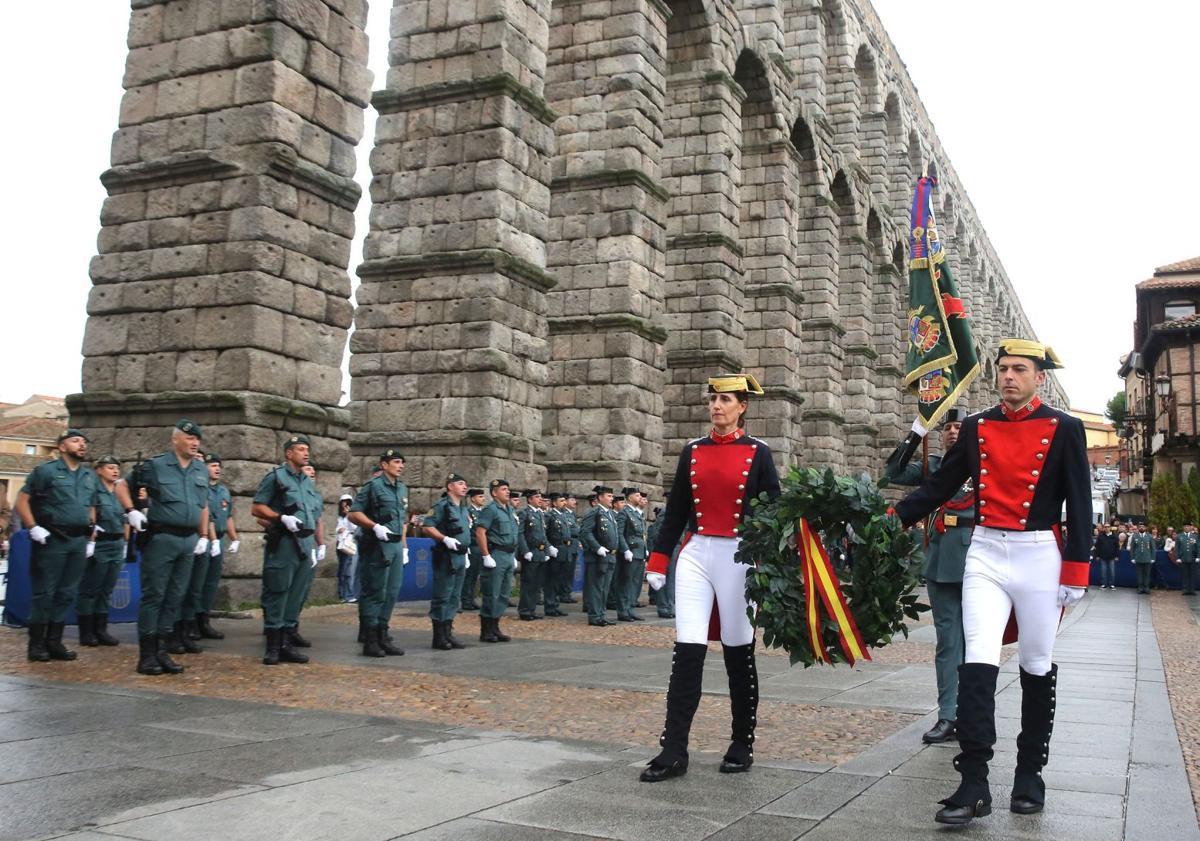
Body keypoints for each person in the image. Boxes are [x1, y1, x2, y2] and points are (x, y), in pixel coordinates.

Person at [893, 339, 1092, 825]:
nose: (1008, 377)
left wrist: (1076, 569)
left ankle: (1029, 773)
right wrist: (894, 516)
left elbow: (1080, 502)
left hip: (1038, 554)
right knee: (977, 661)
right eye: (1003, 369)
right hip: (985, 550)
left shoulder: (1065, 428)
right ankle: (974, 779)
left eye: (1019, 370)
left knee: (1036, 664)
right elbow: (941, 486)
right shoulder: (978, 426)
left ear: (1037, 378)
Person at [640, 374, 781, 782]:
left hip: (739, 556)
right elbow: (677, 510)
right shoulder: (692, 451)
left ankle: (742, 741)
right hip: (698, 553)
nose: (715, 406)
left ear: (743, 407)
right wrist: (660, 559)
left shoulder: (760, 452)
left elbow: (773, 513)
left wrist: (772, 565)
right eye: (713, 399)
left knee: (739, 651)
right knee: (687, 651)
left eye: (725, 400)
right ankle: (673, 747)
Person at [893, 408, 973, 745]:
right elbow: (893, 471)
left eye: (959, 426)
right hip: (941, 560)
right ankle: (948, 714)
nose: (953, 432)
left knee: (976, 645)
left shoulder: (982, 462)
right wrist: (916, 433)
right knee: (948, 643)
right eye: (948, 428)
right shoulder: (934, 466)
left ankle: (973, 714)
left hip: (976, 560)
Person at [14, 428, 99, 662]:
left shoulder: (89, 476)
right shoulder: (46, 472)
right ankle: (37, 643)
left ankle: (55, 641)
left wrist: (91, 535)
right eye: (75, 441)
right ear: (62, 447)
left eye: (83, 441)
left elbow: (91, 506)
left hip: (78, 540)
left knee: (66, 592)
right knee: (45, 592)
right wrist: (33, 527)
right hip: (52, 539)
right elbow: (22, 500)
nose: (81, 445)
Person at [250, 435, 323, 665]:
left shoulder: (306, 482)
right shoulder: (276, 478)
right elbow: (257, 507)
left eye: (307, 449)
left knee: (296, 594)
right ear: (289, 453)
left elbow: (314, 514)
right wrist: (280, 517)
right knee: (278, 592)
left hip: (304, 542)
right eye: (300, 449)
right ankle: (272, 646)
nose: (306, 453)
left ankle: (286, 643)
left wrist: (318, 543)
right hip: (284, 542)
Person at [348, 449, 409, 657]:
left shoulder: (401, 488)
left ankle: (383, 635)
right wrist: (374, 526)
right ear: (384, 465)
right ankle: (370, 638)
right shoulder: (373, 487)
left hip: (394, 546)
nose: (400, 466)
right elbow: (354, 513)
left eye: (402, 462)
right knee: (375, 592)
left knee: (392, 592)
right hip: (377, 545)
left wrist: (404, 546)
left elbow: (401, 520)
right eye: (396, 462)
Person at [182, 453, 239, 643]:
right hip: (203, 539)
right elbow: (208, 518)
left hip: (219, 539)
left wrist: (234, 538)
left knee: (210, 584)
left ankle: (203, 620)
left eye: (218, 465)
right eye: (212, 465)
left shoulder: (223, 491)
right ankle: (189, 622)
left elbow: (227, 515)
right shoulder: (200, 489)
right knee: (196, 583)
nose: (217, 469)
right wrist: (211, 539)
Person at [77, 454, 128, 647]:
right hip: (100, 543)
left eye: (117, 468)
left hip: (116, 543)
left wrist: (126, 542)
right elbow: (91, 516)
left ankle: (100, 629)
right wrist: (90, 541)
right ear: (99, 470)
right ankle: (86, 631)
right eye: (110, 467)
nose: (115, 471)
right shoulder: (94, 490)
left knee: (106, 589)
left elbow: (125, 519)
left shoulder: (119, 491)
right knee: (91, 588)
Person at [422, 473, 472, 649]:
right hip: (446, 556)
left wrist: (466, 552)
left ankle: (448, 632)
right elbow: (427, 526)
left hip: (460, 555)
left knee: (454, 597)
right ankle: (439, 636)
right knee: (442, 595)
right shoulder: (442, 506)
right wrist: (444, 539)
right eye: (460, 483)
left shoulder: (464, 508)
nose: (464, 487)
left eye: (465, 484)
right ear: (450, 486)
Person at [473, 478, 519, 643]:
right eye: (503, 489)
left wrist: (513, 556)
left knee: (504, 593)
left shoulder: (508, 510)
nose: (507, 491)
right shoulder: (490, 510)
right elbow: (480, 532)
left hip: (507, 554)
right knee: (492, 593)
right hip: (496, 554)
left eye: (507, 489)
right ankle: (486, 630)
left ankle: (495, 627)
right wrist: (486, 555)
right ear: (494, 492)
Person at [580, 485, 625, 627]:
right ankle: (594, 616)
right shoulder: (595, 512)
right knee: (596, 587)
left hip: (610, 556)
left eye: (612, 496)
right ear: (600, 498)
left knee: (605, 588)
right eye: (608, 496)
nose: (611, 499)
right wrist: (597, 547)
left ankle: (601, 614)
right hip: (597, 557)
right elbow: (585, 532)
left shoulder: (610, 513)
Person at [517, 489, 550, 621]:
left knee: (536, 584)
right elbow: (520, 534)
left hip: (540, 552)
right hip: (531, 552)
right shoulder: (525, 514)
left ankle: (532, 609)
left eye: (540, 497)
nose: (540, 499)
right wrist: (525, 551)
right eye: (537, 497)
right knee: (528, 583)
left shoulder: (540, 514)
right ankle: (525, 610)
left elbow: (543, 535)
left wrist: (547, 550)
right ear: (530, 499)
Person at [617, 486, 648, 621]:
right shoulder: (625, 512)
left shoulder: (637, 513)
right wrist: (625, 549)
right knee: (626, 582)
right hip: (631, 551)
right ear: (629, 498)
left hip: (639, 552)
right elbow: (620, 533)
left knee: (636, 582)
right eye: (637, 495)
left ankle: (630, 608)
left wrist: (644, 548)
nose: (639, 498)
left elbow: (641, 534)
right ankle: (623, 610)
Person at [460, 488, 486, 610]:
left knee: (476, 575)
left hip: (481, 547)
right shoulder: (469, 512)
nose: (483, 499)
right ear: (473, 498)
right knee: (470, 575)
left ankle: (472, 597)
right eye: (480, 497)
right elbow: (469, 530)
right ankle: (466, 599)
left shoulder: (483, 512)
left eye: (483, 496)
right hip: (473, 546)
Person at [335, 494, 359, 603]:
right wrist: (339, 530)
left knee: (350, 570)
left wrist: (349, 515)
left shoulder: (352, 515)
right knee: (342, 570)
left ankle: (349, 594)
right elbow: (335, 528)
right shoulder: (338, 516)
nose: (344, 505)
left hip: (351, 544)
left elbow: (355, 528)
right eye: (343, 502)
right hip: (340, 543)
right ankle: (341, 594)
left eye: (347, 502)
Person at [1092, 524, 1119, 590]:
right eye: (1105, 527)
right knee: (1103, 571)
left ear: (1110, 528)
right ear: (1104, 528)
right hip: (1102, 556)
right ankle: (1104, 584)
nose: (1107, 528)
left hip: (1112, 556)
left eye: (1108, 527)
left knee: (1112, 571)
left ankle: (1111, 584)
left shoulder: (1114, 536)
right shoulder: (1101, 536)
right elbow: (1097, 546)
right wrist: (1097, 555)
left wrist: (1117, 556)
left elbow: (1117, 547)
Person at [1131, 523, 1155, 594]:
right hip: (1138, 558)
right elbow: (1132, 548)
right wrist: (1132, 557)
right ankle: (1140, 587)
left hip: (1147, 558)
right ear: (1138, 528)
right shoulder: (1135, 536)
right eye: (1140, 527)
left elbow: (1153, 548)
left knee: (1147, 574)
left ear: (1146, 528)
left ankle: (1146, 587)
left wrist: (1153, 558)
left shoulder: (1149, 536)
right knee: (1139, 574)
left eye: (1143, 527)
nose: (1141, 528)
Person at [1177, 523, 1199, 594]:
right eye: (1185, 526)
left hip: (1192, 558)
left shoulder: (1195, 536)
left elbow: (1198, 547)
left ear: (1190, 527)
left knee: (1192, 574)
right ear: (1183, 527)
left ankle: (1192, 589)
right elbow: (1177, 548)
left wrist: (1198, 556)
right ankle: (1185, 589)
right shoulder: (1179, 536)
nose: (1187, 527)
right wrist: (1178, 557)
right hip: (1183, 558)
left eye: (1188, 526)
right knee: (1185, 574)